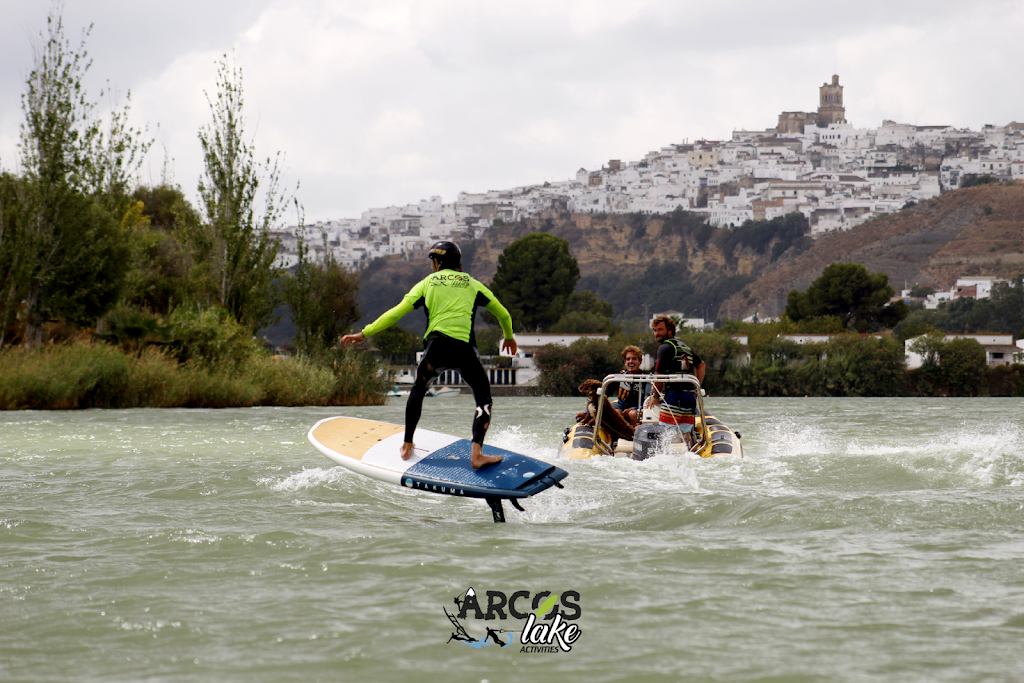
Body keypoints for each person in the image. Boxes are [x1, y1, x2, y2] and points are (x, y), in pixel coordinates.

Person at [339, 241, 517, 469]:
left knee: (418, 390)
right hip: (464, 351)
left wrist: (365, 333)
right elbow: (503, 313)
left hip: (436, 350)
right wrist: (508, 336)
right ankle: (477, 455)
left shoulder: (426, 284)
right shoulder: (473, 284)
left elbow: (395, 313)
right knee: (483, 400)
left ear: (437, 262)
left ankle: (407, 444)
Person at [645, 315, 705, 436]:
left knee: (666, 434)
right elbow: (701, 365)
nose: (657, 333)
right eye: (655, 330)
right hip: (689, 397)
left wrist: (655, 397)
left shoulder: (665, 348)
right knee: (686, 434)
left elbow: (658, 375)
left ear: (670, 330)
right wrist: (695, 389)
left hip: (674, 396)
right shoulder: (684, 346)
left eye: (660, 330)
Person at [612, 345, 647, 426]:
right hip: (622, 410)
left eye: (634, 359)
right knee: (616, 412)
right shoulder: (619, 377)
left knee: (632, 413)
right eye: (628, 359)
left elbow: (649, 401)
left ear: (640, 361)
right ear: (625, 362)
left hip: (639, 410)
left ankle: (635, 432)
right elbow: (603, 394)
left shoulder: (646, 378)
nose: (631, 361)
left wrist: (633, 408)